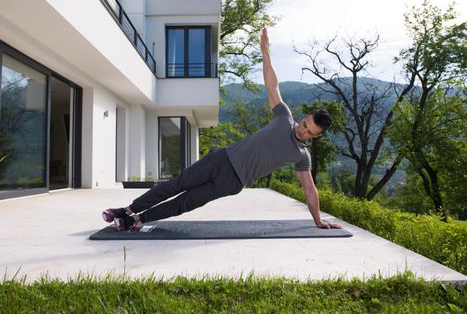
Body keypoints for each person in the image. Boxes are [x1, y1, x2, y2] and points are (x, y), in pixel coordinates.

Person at [102, 28, 343, 231]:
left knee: (187, 202)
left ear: (316, 136)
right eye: (304, 124)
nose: (303, 131)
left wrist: (318, 220)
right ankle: (127, 209)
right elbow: (272, 85)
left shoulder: (301, 156)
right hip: (222, 158)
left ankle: (136, 220)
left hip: (232, 182)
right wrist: (265, 52)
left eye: (310, 132)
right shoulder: (284, 117)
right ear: (303, 118)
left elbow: (309, 189)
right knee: (175, 185)